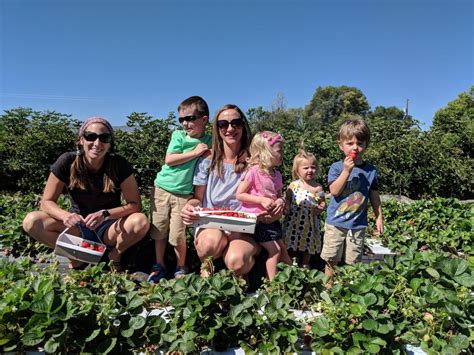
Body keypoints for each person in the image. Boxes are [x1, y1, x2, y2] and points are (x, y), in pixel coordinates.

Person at [22, 116, 149, 270]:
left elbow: (135, 205)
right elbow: (46, 202)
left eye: (104, 138)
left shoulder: (119, 164)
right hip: (77, 228)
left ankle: (114, 255)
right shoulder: (67, 161)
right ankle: (80, 255)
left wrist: (105, 214)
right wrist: (66, 216)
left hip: (108, 227)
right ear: (81, 140)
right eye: (91, 136)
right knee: (32, 221)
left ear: (110, 143)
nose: (97, 143)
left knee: (140, 221)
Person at [180, 104, 265, 278]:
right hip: (211, 224)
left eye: (236, 123)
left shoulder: (255, 161)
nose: (230, 128)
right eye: (223, 124)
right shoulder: (207, 159)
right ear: (217, 129)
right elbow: (198, 197)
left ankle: (242, 273)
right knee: (210, 244)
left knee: (237, 260)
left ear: (243, 125)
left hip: (243, 228)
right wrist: (189, 207)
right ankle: (206, 269)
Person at [148, 96, 212, 283]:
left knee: (178, 234)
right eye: (182, 119)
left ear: (204, 120)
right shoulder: (178, 136)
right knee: (159, 230)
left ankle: (180, 265)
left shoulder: (210, 140)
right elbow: (170, 159)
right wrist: (196, 152)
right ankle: (159, 264)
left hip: (184, 194)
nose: (185, 123)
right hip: (162, 188)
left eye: (190, 118)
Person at [320, 118, 384, 284]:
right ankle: (327, 288)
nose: (355, 147)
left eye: (360, 143)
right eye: (350, 143)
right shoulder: (336, 167)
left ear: (366, 145)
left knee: (352, 261)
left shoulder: (371, 171)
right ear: (341, 145)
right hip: (336, 222)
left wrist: (379, 216)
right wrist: (347, 171)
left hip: (358, 224)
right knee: (331, 258)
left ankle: (347, 290)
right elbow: (334, 191)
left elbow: (374, 195)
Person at [236, 131, 291, 280]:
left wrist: (281, 201)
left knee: (283, 251)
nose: (282, 154)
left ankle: (294, 278)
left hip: (272, 221)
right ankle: (272, 285)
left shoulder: (277, 175)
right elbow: (239, 194)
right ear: (265, 152)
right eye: (279, 150)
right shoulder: (253, 172)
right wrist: (260, 200)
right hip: (258, 221)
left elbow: (279, 196)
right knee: (275, 251)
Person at [283, 146, 326, 268]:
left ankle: (305, 264)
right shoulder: (293, 185)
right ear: (297, 171)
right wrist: (286, 208)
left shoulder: (318, 188)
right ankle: (290, 263)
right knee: (291, 242)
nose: (310, 170)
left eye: (313, 167)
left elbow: (322, 203)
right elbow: (288, 199)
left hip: (310, 222)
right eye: (306, 168)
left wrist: (320, 209)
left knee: (308, 244)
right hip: (294, 220)